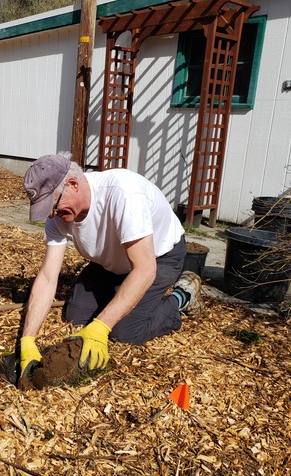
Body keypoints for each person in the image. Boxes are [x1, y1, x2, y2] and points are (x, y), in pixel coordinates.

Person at [19, 154, 202, 377]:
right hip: (111, 261)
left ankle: (181, 296)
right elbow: (48, 277)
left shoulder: (123, 194)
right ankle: (122, 292)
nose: (51, 214)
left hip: (158, 257)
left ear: (73, 184)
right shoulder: (57, 218)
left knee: (125, 331)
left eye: (53, 205)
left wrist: (101, 327)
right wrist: (27, 339)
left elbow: (145, 270)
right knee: (75, 316)